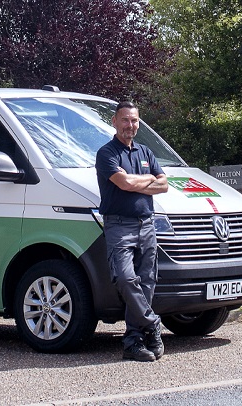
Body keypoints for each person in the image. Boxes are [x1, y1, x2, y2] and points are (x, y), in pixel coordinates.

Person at [95, 101, 169, 362]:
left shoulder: (146, 152)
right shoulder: (107, 153)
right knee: (126, 279)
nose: (130, 125)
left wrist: (139, 181)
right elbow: (123, 183)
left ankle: (133, 342)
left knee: (147, 282)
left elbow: (164, 185)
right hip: (119, 226)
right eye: (125, 120)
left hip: (147, 224)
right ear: (114, 122)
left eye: (135, 120)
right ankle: (152, 324)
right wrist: (144, 181)